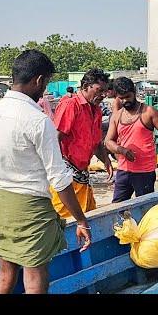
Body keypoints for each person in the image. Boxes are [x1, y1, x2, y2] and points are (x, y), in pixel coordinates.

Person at [0, 49, 91, 294]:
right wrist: (81, 220)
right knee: (35, 276)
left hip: (2, 206)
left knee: (5, 276)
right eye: (45, 82)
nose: (44, 89)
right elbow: (59, 180)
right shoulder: (38, 120)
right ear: (39, 80)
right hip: (31, 208)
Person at [50, 68, 113, 218]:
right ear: (86, 86)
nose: (103, 95)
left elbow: (96, 142)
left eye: (105, 91)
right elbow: (55, 139)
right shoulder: (71, 105)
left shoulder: (96, 110)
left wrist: (106, 161)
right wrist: (59, 171)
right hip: (67, 173)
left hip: (82, 174)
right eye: (99, 90)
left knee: (88, 215)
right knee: (66, 218)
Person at [104, 77, 158, 203]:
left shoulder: (149, 112)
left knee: (145, 206)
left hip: (144, 171)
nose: (125, 100)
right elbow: (108, 141)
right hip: (123, 170)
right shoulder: (116, 116)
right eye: (121, 98)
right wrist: (122, 150)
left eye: (128, 96)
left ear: (134, 92)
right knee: (117, 207)